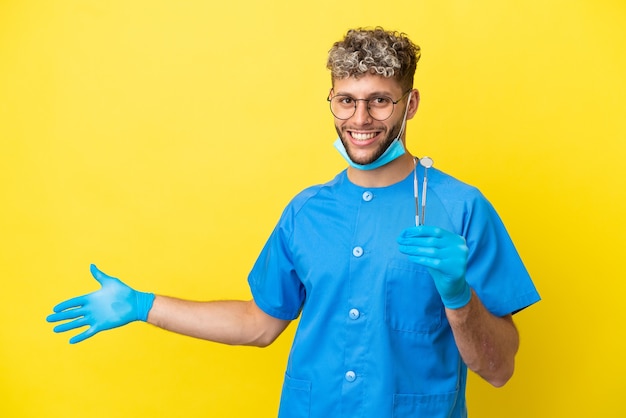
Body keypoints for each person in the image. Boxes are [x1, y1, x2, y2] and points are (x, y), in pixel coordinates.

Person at [47, 27, 540, 417]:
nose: (360, 118)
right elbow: (259, 323)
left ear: (409, 104)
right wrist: (141, 304)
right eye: (346, 100)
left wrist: (459, 298)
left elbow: (499, 370)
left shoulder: (462, 208)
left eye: (380, 100)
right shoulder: (307, 212)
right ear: (331, 101)